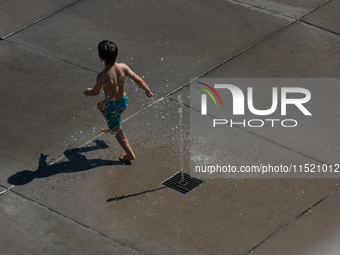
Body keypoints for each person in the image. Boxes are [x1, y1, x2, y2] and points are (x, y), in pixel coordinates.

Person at [84, 40, 153, 163]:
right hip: (123, 101)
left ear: (101, 58)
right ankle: (112, 126)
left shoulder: (102, 75)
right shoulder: (123, 67)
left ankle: (129, 154)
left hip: (112, 106)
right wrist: (147, 90)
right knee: (100, 104)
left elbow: (95, 92)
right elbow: (137, 79)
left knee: (118, 132)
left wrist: (87, 91)